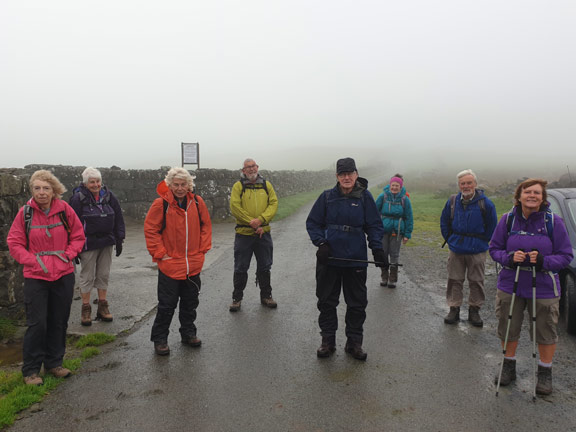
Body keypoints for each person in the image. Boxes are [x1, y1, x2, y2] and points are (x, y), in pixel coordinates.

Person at [489, 179, 572, 395]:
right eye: (528, 192)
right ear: (519, 196)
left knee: (545, 330)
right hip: (511, 284)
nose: (532, 195)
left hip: (543, 285)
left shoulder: (554, 222)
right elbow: (494, 249)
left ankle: (545, 373)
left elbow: (565, 256)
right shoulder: (507, 220)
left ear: (542, 198)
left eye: (537, 192)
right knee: (508, 326)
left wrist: (544, 260)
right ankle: (509, 366)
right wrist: (508, 257)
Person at [7, 170, 85, 386]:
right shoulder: (25, 213)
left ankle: (54, 363)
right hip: (36, 276)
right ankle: (31, 371)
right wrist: (33, 261)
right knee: (37, 324)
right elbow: (14, 242)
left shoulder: (65, 210)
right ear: (32, 190)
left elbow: (78, 236)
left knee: (59, 321)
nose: (41, 193)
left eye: (46, 188)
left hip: (63, 273)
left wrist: (67, 255)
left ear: (54, 190)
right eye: (37, 188)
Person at [306, 157, 386, 360]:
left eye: (350, 173)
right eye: (342, 174)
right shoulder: (326, 198)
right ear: (337, 176)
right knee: (326, 302)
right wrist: (321, 243)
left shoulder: (365, 198)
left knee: (357, 303)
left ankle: (354, 343)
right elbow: (313, 223)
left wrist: (377, 249)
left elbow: (375, 226)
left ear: (356, 174)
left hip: (355, 261)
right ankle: (327, 341)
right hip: (329, 260)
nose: (347, 177)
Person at [144, 167, 212, 356]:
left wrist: (202, 250)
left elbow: (206, 225)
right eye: (176, 185)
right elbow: (151, 230)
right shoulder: (161, 204)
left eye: (184, 184)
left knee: (190, 302)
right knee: (167, 305)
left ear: (189, 185)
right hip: (170, 266)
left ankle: (188, 333)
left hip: (193, 264)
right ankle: (160, 339)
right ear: (170, 185)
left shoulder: (197, 203)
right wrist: (161, 254)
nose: (180, 188)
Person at [440, 169, 497, 327]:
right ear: (459, 185)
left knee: (477, 281)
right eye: (463, 183)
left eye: (469, 183)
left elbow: (493, 226)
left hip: (477, 249)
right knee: (454, 280)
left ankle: (474, 310)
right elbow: (444, 221)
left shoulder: (485, 203)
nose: (466, 186)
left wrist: (482, 242)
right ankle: (454, 308)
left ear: (475, 184)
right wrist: (450, 239)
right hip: (456, 248)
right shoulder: (452, 201)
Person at [69, 167, 126, 326]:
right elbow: (72, 223)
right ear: (85, 183)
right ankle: (86, 309)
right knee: (87, 276)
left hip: (107, 241)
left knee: (103, 274)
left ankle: (103, 307)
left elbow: (118, 218)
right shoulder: (77, 199)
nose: (95, 185)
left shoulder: (109, 196)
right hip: (88, 243)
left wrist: (119, 238)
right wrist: (74, 247)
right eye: (92, 182)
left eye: (98, 181)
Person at [228, 158, 279, 312]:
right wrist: (251, 221)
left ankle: (266, 296)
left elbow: (274, 203)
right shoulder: (238, 186)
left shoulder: (266, 184)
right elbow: (235, 206)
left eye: (253, 166)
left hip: (264, 233)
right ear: (243, 170)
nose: (251, 169)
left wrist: (261, 220)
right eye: (248, 167)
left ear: (257, 167)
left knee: (265, 266)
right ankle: (236, 299)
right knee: (241, 267)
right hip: (244, 233)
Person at [375, 174, 413, 288]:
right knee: (383, 254)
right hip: (383, 231)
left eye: (397, 185)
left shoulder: (405, 199)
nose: (394, 187)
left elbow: (409, 217)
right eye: (393, 185)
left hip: (397, 231)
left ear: (400, 186)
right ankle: (384, 277)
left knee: (394, 255)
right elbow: (374, 212)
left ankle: (392, 279)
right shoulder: (383, 196)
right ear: (390, 185)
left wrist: (407, 234)